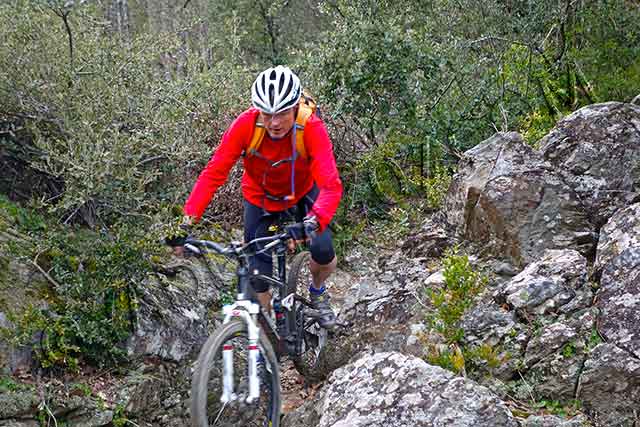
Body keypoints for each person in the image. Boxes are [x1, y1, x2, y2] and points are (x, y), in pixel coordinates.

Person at [179, 65, 342, 329]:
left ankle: (318, 291)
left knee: (322, 249)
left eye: (282, 114)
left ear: (294, 108)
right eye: (267, 114)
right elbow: (213, 174)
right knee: (257, 277)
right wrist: (184, 223)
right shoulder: (246, 125)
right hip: (260, 199)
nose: (274, 123)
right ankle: (269, 334)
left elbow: (330, 185)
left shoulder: (310, 127)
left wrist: (313, 221)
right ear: (258, 111)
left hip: (303, 195)